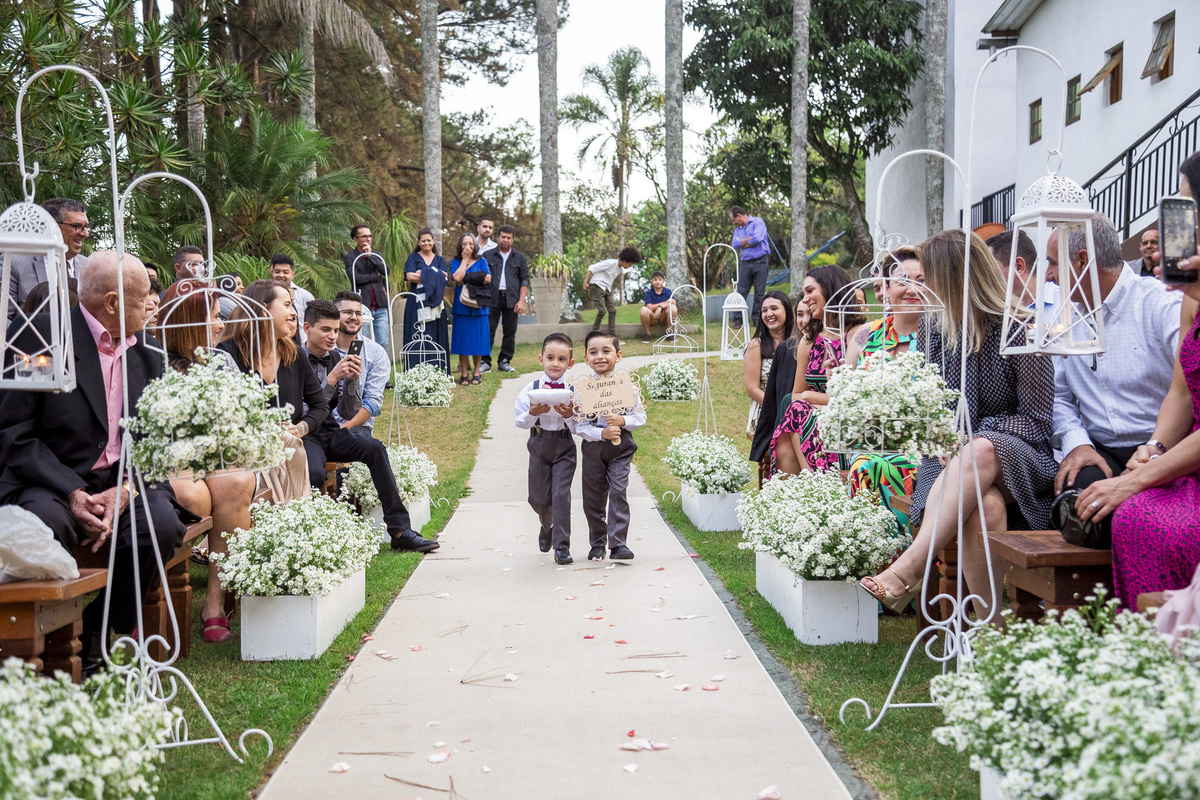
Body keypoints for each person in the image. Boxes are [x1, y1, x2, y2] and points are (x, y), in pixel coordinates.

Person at [0, 250, 186, 672]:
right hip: (51, 479)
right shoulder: (42, 339)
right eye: (143, 299)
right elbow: (14, 432)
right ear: (113, 303)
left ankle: (97, 631)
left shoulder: (149, 354)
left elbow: (156, 443)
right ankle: (38, 646)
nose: (150, 307)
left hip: (126, 481)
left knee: (161, 525)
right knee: (43, 526)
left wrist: (125, 491)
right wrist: (73, 492)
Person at [860, 230, 1055, 621]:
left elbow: (1038, 421)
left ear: (953, 279)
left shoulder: (1022, 328)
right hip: (949, 465)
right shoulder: (935, 330)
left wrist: (977, 436)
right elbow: (934, 405)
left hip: (1021, 461)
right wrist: (944, 435)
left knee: (980, 449)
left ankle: (910, 567)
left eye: (927, 278)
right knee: (985, 506)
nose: (921, 288)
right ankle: (990, 631)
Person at [1078, 151, 1200, 609]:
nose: (1179, 220)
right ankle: (1147, 645)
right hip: (1186, 455)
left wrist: (1136, 479)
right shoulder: (1191, 297)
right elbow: (1181, 392)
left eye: (1187, 205)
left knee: (1171, 528)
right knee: (1134, 518)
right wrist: (1156, 447)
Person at [1050, 213, 1181, 543]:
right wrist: (1077, 443)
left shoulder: (1160, 303)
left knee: (1131, 518)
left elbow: (1187, 389)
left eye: (1053, 263)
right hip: (1101, 451)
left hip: (1166, 447)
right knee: (1077, 509)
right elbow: (1058, 397)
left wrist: (1155, 450)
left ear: (1081, 261)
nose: (1049, 275)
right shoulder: (1065, 316)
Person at [155, 280, 257, 643]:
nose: (220, 325)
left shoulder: (221, 360)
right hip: (169, 459)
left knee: (237, 482)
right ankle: (152, 602)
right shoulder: (150, 360)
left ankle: (214, 603)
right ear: (188, 321)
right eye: (214, 316)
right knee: (190, 494)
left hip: (216, 456)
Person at [301, 299, 439, 553]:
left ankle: (400, 531)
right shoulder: (294, 358)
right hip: (306, 434)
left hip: (331, 431)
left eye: (335, 331)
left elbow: (347, 412)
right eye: (326, 330)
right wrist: (331, 379)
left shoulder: (336, 357)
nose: (332, 336)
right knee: (315, 474)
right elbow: (302, 410)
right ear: (307, 328)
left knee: (375, 448)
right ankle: (319, 540)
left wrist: (352, 382)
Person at [843, 247, 927, 533]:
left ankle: (908, 553)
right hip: (870, 441)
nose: (912, 289)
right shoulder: (866, 335)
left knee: (884, 465)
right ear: (886, 288)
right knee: (866, 465)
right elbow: (846, 397)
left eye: (921, 281)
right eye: (903, 281)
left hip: (922, 446)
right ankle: (872, 549)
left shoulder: (940, 336)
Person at [215, 280, 310, 505]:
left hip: (293, 442)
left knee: (290, 443)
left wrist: (300, 428)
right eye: (287, 305)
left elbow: (320, 404)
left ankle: (293, 515)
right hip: (245, 447)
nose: (294, 312)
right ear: (263, 309)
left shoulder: (293, 353)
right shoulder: (226, 354)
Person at [767, 265, 861, 476]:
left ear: (830, 288)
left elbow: (859, 398)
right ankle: (810, 483)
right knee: (795, 420)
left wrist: (812, 397)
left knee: (798, 415)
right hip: (812, 419)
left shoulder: (859, 334)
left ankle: (812, 482)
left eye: (810, 291)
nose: (806, 298)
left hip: (848, 420)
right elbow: (797, 394)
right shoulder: (809, 340)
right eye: (804, 293)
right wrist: (811, 400)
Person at [575, 330, 646, 562]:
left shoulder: (627, 386)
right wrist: (601, 432)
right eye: (593, 352)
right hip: (594, 448)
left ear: (618, 355)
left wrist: (623, 420)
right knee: (593, 497)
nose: (600, 356)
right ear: (586, 358)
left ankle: (618, 544)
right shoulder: (584, 389)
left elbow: (640, 417)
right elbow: (579, 426)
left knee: (618, 491)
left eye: (606, 351)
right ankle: (597, 543)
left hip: (620, 447)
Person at [515, 333, 578, 565]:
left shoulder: (573, 391)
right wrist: (532, 413)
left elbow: (579, 426)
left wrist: (570, 415)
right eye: (550, 358)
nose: (555, 364)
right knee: (538, 498)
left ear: (570, 363)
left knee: (561, 495)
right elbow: (520, 422)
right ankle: (546, 525)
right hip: (539, 444)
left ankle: (562, 546)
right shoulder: (530, 389)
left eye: (562, 359)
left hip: (564, 445)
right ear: (541, 359)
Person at [4, 197, 89, 320]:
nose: (85, 233)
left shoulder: (88, 266)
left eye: (86, 226)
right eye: (76, 226)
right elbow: (3, 318)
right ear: (52, 227)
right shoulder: (14, 264)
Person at [333, 291, 389, 438]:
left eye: (358, 313)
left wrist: (343, 428)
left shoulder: (375, 353)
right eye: (347, 312)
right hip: (319, 424)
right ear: (334, 315)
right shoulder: (321, 348)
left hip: (356, 428)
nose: (354, 317)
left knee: (373, 447)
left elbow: (372, 402)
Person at [744, 290, 793, 440]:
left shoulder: (799, 343)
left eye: (774, 308)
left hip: (795, 411)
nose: (768, 314)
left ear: (786, 310)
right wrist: (779, 409)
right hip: (766, 413)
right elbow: (751, 389)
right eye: (764, 310)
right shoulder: (756, 345)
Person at [401, 227, 451, 373]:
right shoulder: (413, 257)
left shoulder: (440, 260)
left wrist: (422, 273)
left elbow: (445, 278)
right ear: (418, 242)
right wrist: (434, 275)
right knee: (416, 334)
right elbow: (410, 276)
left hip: (436, 303)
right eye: (423, 241)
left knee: (436, 336)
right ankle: (415, 372)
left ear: (433, 241)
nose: (426, 243)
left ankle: (438, 371)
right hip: (415, 303)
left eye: (429, 240)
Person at [482, 225, 529, 374]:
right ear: (497, 238)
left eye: (509, 238)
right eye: (503, 237)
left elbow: (524, 280)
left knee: (510, 331)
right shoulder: (487, 255)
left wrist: (521, 301)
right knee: (488, 330)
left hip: (512, 299)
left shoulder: (519, 257)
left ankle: (504, 361)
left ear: (512, 240)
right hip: (491, 298)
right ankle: (484, 361)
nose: (505, 240)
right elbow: (482, 277)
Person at [449, 233, 492, 384]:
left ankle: (477, 371)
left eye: (471, 243)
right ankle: (464, 373)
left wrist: (467, 277)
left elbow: (488, 278)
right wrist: (465, 260)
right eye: (464, 244)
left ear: (475, 246)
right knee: (463, 341)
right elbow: (457, 277)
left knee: (478, 340)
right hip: (461, 306)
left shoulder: (482, 260)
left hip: (479, 305)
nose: (468, 246)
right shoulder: (455, 261)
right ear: (460, 246)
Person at [344, 225, 390, 353]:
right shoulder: (350, 257)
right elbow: (355, 278)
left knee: (383, 343)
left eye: (370, 236)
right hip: (362, 306)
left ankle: (382, 366)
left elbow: (386, 272)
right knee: (362, 342)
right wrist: (375, 276)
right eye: (364, 236)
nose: (368, 239)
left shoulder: (376, 255)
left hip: (380, 306)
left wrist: (370, 256)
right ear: (355, 240)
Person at [986, 229, 1058, 311]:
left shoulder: (1064, 301)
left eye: (990, 269)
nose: (985, 277)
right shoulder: (996, 310)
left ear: (1018, 267)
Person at [583, 247, 641, 339]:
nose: (630, 266)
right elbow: (592, 268)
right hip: (597, 286)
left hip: (606, 289)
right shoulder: (610, 263)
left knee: (612, 310)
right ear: (625, 260)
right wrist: (585, 282)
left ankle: (612, 336)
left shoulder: (620, 270)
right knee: (602, 311)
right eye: (630, 263)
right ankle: (593, 334)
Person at [729, 205, 770, 328]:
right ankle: (738, 319)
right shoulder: (738, 230)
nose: (733, 223)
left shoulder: (758, 222)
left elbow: (758, 238)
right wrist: (748, 241)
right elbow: (735, 243)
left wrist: (744, 242)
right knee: (741, 291)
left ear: (739, 216)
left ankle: (757, 319)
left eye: (733, 220)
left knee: (759, 292)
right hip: (745, 263)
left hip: (761, 261)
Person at [269, 254, 314, 343]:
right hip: (273, 344)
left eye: (286, 272)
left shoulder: (305, 296)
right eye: (277, 271)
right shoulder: (264, 294)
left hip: (300, 345)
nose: (281, 275)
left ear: (293, 274)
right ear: (271, 272)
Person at [639, 269, 677, 343]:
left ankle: (670, 333)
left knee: (673, 308)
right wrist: (666, 302)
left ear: (663, 281)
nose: (657, 282)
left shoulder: (668, 291)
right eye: (655, 280)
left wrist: (660, 307)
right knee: (643, 309)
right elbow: (649, 307)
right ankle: (647, 334)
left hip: (664, 317)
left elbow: (673, 302)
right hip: (653, 317)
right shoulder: (648, 293)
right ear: (652, 282)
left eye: (660, 279)